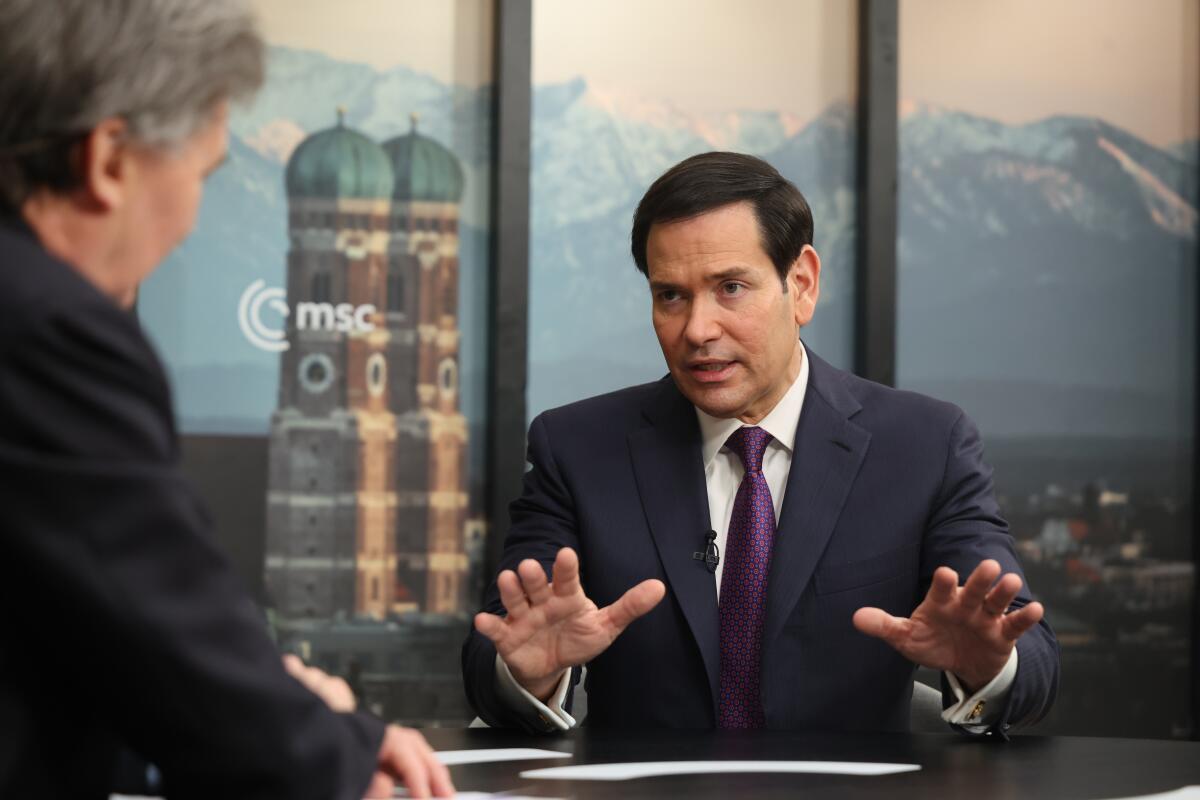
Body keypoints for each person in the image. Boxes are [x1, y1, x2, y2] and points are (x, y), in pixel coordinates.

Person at [0, 1, 453, 797]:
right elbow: (158, 622)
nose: (192, 222)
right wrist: (337, 753)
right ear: (107, 160)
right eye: (203, 176)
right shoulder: (47, 328)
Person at [463, 151, 1059, 735]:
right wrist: (529, 674)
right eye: (671, 296)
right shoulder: (577, 448)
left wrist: (987, 667)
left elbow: (1031, 661)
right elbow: (496, 653)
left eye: (730, 287)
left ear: (801, 284)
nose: (697, 330)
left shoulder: (924, 447)